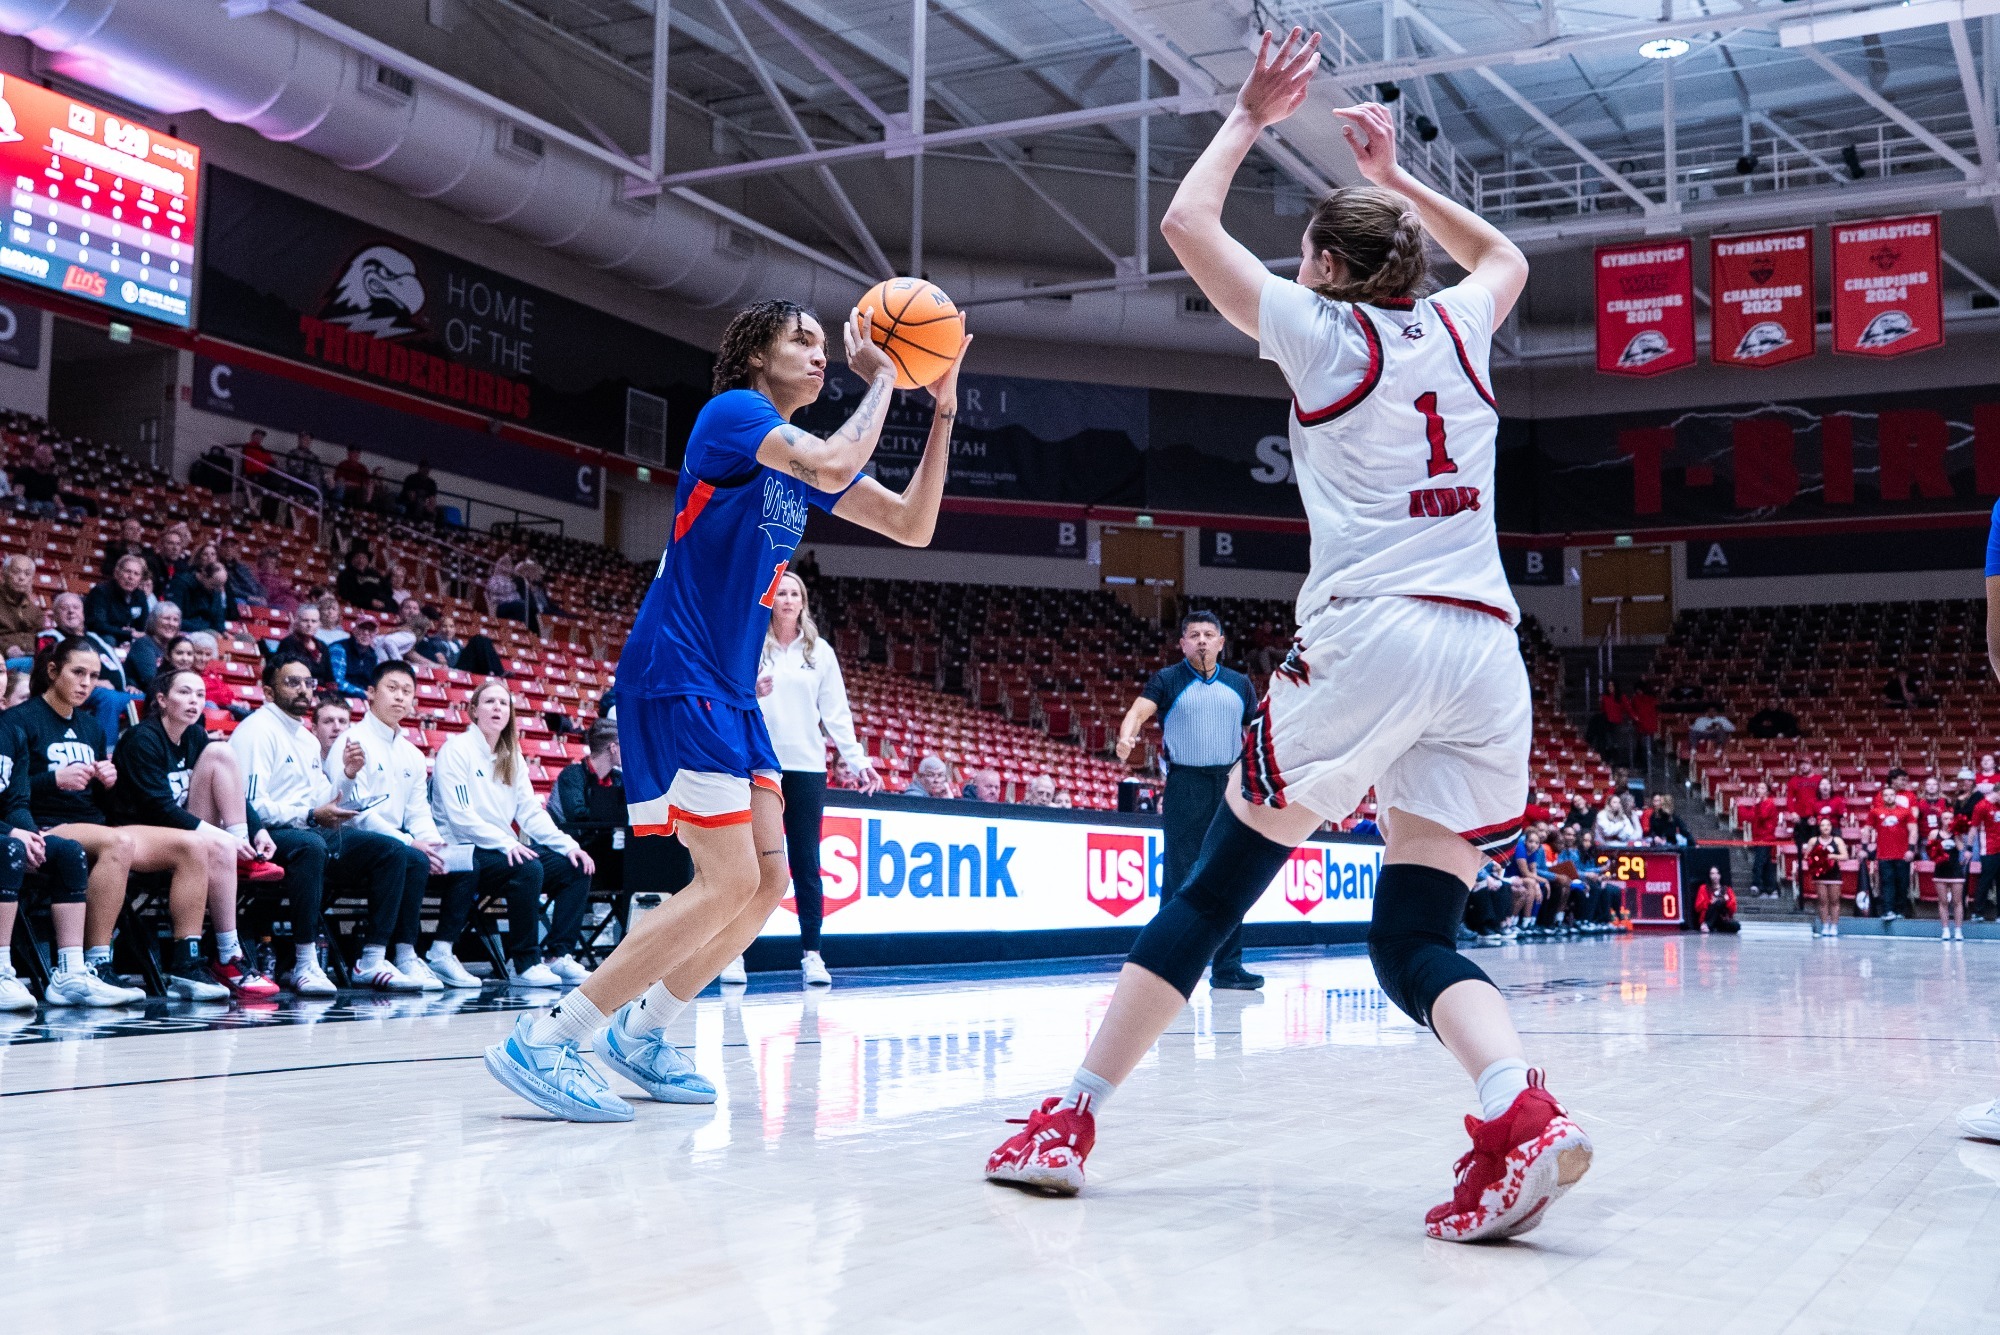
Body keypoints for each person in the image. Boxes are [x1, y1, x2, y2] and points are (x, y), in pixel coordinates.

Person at [980, 58, 1591, 1242]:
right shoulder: (1464, 323)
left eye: (1308, 251)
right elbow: (1507, 258)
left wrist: (1251, 117)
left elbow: (1181, 222)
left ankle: (1069, 1115)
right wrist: (1397, 177)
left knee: (1215, 885)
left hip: (1373, 637)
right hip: (1483, 650)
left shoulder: (1317, 333)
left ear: (1321, 269)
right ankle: (1517, 1108)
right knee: (1413, 934)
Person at [484, 293, 966, 1122]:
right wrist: (885, 374)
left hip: (731, 688)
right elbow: (827, 459)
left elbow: (915, 525)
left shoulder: (794, 464)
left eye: (825, 344)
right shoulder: (734, 414)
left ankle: (648, 1027)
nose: (820, 355)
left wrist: (945, 408)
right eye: (801, 341)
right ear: (754, 356)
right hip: (681, 670)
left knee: (769, 878)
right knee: (728, 874)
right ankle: (553, 1035)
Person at [2, 639, 228, 1000]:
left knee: (193, 845)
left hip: (92, 822)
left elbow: (102, 801)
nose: (86, 683)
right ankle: (96, 962)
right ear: (52, 671)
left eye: (93, 676)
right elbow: (9, 792)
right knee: (118, 842)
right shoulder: (19, 720)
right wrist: (52, 780)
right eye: (78, 672)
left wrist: (108, 781)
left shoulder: (91, 726)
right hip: (45, 825)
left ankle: (186, 963)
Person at [230, 655, 427, 993]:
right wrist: (309, 815)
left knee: (392, 850)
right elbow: (248, 804)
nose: (303, 689)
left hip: (308, 829)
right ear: (268, 691)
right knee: (312, 845)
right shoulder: (256, 731)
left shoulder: (306, 739)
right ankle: (304, 962)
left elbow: (325, 800)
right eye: (292, 682)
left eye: (309, 683)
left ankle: (372, 959)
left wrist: (348, 778)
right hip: (263, 834)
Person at [109, 666, 286, 996]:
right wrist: (224, 837)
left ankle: (229, 956)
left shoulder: (193, 734)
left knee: (220, 753)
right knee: (218, 845)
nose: (194, 701)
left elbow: (227, 789)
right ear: (161, 699)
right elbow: (158, 808)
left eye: (200, 695)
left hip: (181, 833)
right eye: (185, 692)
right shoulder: (141, 740)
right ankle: (226, 954)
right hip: (139, 833)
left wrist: (255, 829)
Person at [1116, 609, 1261, 989]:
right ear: (1181, 643)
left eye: (1208, 634)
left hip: (1230, 783)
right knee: (1180, 876)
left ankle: (1228, 968)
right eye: (1193, 634)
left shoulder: (1240, 683)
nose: (1201, 640)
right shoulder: (1167, 679)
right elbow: (1138, 711)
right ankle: (1170, 966)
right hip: (1186, 784)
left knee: (1233, 874)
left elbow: (1256, 731)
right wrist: (1126, 735)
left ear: (1221, 642)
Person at [750, 570, 880, 988]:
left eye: (794, 593)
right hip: (760, 764)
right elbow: (729, 696)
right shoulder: (753, 644)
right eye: (781, 592)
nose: (787, 599)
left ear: (803, 602)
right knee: (755, 865)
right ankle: (734, 954)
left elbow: (836, 713)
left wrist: (857, 761)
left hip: (806, 766)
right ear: (771, 599)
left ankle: (812, 955)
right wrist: (751, 691)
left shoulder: (819, 651)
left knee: (806, 863)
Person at [429, 679, 593, 988]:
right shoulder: (456, 750)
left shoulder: (511, 755)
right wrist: (506, 843)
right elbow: (460, 817)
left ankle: (557, 956)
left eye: (503, 703)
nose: (497, 708)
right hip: (462, 848)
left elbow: (530, 812)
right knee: (527, 867)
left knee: (575, 867)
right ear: (473, 711)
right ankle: (523, 963)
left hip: (499, 850)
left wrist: (568, 845)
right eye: (490, 702)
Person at [325, 660, 449, 989]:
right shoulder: (351, 740)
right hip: (345, 843)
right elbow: (356, 811)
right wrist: (408, 842)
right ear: (370, 693)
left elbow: (419, 810)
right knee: (402, 852)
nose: (399, 697)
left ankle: (408, 954)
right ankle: (372, 958)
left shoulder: (411, 752)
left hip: (390, 847)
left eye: (406, 691)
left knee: (424, 857)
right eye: (391, 688)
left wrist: (433, 843)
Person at [548, 718, 627, 895]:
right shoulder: (572, 774)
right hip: (575, 848)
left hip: (606, 848)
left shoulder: (618, 779)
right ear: (613, 748)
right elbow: (577, 816)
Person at [1868, 770, 1916, 921]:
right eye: (1886, 795)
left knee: (1902, 883)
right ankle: (1888, 910)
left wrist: (1911, 849)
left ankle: (1901, 911)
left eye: (1891, 795)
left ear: (1895, 797)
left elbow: (1913, 829)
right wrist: (1867, 846)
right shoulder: (1876, 811)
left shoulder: (1906, 811)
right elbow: (1869, 828)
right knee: (1887, 882)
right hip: (1884, 853)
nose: (1889, 797)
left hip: (1902, 852)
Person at [85, 554, 149, 645]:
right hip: (104, 638)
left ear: (140, 579)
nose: (131, 577)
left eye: (136, 574)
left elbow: (143, 627)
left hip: (130, 639)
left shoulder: (140, 596)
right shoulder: (101, 592)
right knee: (109, 639)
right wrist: (127, 633)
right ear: (116, 573)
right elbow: (98, 625)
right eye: (128, 571)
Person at [268, 604, 334, 689]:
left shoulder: (323, 647)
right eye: (305, 620)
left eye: (314, 621)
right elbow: (285, 675)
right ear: (297, 621)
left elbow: (330, 678)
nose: (309, 625)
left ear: (319, 624)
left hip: (321, 695)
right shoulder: (288, 643)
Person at [1803, 817, 1848, 938]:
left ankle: (1834, 926)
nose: (1825, 827)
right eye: (1823, 825)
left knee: (1834, 901)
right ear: (1819, 828)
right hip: (1820, 874)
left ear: (1831, 827)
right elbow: (1807, 856)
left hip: (1834, 874)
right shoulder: (1813, 840)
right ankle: (1825, 925)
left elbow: (1845, 856)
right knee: (1822, 901)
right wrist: (1817, 859)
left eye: (1828, 825)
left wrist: (1831, 856)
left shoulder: (1837, 840)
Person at [125, 601, 183, 688]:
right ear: (154, 621)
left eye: (175, 620)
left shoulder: (174, 647)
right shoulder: (143, 644)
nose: (171, 623)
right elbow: (151, 680)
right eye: (166, 618)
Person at [167, 561, 231, 635]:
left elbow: (218, 616)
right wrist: (206, 627)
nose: (219, 589)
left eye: (221, 585)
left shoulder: (216, 588)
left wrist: (223, 631)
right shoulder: (180, 584)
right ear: (204, 575)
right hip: (186, 631)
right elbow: (175, 618)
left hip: (208, 629)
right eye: (214, 585)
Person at [0, 554, 41, 668]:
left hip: (30, 658)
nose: (21, 577)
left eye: (27, 574)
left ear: (31, 579)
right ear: (4, 574)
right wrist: (5, 648)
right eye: (16, 572)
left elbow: (41, 637)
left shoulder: (34, 610)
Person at [1741, 781, 1781, 897]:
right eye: (1758, 787)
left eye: (1762, 788)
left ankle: (1757, 885)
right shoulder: (1757, 803)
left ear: (1767, 791)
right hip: (1758, 837)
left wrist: (1757, 805)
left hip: (1766, 838)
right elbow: (1751, 817)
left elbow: (1763, 815)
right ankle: (1772, 889)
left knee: (1759, 863)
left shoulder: (1769, 803)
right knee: (1766, 864)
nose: (1759, 790)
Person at [328, 617, 381, 698]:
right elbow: (337, 682)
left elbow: (374, 684)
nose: (366, 633)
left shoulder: (373, 656)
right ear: (354, 630)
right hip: (339, 697)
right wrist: (362, 693)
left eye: (371, 630)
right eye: (362, 628)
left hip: (364, 699)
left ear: (375, 634)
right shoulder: (339, 648)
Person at [335, 547, 396, 614]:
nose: (361, 560)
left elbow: (388, 591)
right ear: (351, 560)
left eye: (364, 557)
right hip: (361, 606)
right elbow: (346, 595)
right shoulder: (345, 575)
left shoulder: (375, 573)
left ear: (368, 560)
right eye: (357, 557)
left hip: (382, 603)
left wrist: (383, 601)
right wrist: (369, 601)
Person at [216, 533, 265, 613]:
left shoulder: (243, 567)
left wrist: (262, 596)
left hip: (251, 598)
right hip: (232, 598)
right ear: (219, 548)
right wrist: (249, 597)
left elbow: (257, 585)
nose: (229, 549)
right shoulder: (217, 567)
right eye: (225, 546)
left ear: (236, 549)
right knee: (240, 603)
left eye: (232, 546)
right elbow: (230, 589)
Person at [1694, 866, 1740, 935]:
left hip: (1722, 918)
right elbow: (1697, 907)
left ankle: (1715, 927)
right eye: (1712, 874)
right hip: (1708, 916)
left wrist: (1727, 900)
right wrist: (1710, 902)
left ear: (1720, 875)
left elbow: (1733, 909)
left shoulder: (1727, 889)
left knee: (1736, 926)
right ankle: (1707, 925)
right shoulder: (1704, 888)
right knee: (1717, 903)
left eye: (1717, 873)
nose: (1715, 876)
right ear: (1709, 875)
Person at [254, 547, 298, 616]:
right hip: (269, 603)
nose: (269, 564)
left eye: (272, 561)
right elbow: (266, 593)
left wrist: (292, 591)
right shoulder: (256, 576)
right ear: (262, 561)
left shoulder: (281, 578)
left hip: (284, 603)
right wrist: (282, 587)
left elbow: (295, 592)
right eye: (267, 561)